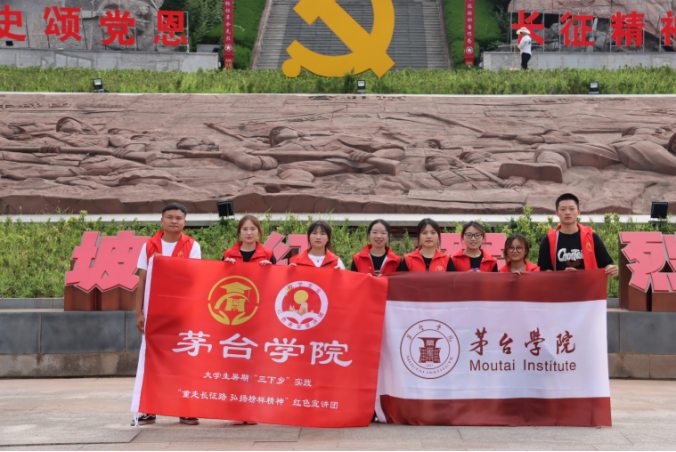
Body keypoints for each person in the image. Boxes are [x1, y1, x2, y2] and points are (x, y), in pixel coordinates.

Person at [133, 203, 201, 427]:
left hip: (182, 313)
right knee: (152, 361)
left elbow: (194, 278)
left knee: (183, 361)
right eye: (169, 217)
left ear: (185, 222)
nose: (174, 221)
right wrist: (138, 312)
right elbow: (142, 280)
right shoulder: (149, 246)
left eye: (178, 218)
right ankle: (149, 409)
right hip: (154, 312)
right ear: (161, 220)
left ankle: (186, 409)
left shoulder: (192, 246)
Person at [537, 193, 618, 276]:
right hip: (559, 284)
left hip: (589, 284)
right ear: (557, 213)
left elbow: (606, 264)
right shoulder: (549, 240)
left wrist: (611, 269)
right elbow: (543, 270)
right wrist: (563, 275)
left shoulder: (592, 237)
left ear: (578, 212)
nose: (567, 212)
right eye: (563, 209)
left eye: (572, 209)